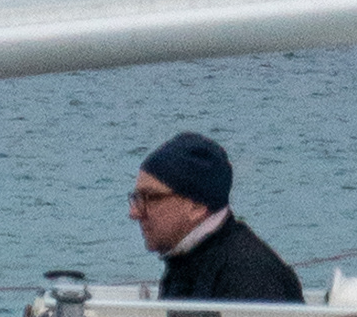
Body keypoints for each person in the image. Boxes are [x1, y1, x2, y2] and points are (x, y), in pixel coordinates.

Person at [127, 128, 303, 307]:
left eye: (150, 198)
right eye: (136, 198)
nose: (134, 213)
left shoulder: (248, 275)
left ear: (197, 206)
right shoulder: (185, 261)